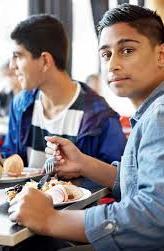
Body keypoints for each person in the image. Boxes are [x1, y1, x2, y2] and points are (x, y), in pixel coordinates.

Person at [8, 3, 164, 250]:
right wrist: (82, 162)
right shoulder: (150, 114)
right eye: (105, 54)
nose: (112, 64)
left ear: (161, 55)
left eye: (127, 50)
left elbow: (154, 218)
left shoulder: (158, 113)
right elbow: (135, 181)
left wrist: (52, 219)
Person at [0, 14, 126, 174]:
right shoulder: (20, 105)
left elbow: (121, 182)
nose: (12, 66)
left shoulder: (101, 117)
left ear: (45, 61)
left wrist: (82, 171)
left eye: (18, 56)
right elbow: (11, 159)